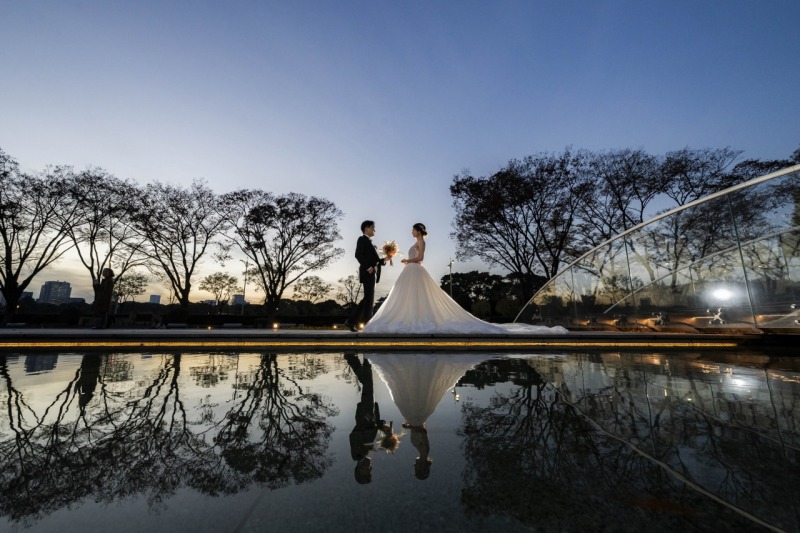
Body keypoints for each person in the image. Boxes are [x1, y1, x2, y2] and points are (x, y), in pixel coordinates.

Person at [363, 223, 568, 334]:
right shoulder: (416, 240)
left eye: (413, 229)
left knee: (419, 296)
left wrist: (408, 261)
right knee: (407, 297)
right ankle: (410, 319)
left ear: (418, 230)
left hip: (414, 270)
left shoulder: (420, 242)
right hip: (411, 272)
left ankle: (418, 321)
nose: (411, 231)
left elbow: (421, 258)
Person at [345, 220, 387, 332]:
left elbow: (376, 260)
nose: (374, 230)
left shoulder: (370, 242)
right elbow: (358, 255)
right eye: (373, 227)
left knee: (369, 299)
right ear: (366, 228)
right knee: (369, 298)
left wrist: (386, 259)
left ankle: (358, 323)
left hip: (372, 273)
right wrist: (368, 268)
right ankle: (357, 322)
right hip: (367, 272)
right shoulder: (362, 239)